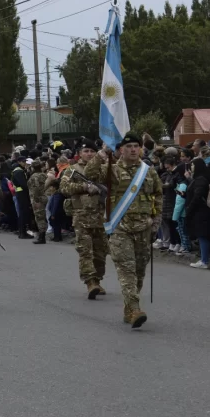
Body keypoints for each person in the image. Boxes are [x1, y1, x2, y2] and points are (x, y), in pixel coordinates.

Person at [85, 133, 163, 329]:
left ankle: (129, 308)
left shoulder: (149, 171)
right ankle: (135, 308)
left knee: (139, 271)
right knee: (126, 269)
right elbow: (90, 173)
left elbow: (158, 195)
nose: (134, 149)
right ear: (121, 150)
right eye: (129, 147)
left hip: (143, 228)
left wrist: (156, 222)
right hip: (120, 228)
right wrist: (103, 152)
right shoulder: (112, 170)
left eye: (136, 146)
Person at [60, 139, 109, 299]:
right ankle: (90, 282)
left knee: (100, 253)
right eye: (86, 151)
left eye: (92, 151)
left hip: (100, 218)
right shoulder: (72, 170)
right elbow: (64, 188)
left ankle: (97, 279)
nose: (89, 154)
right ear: (80, 153)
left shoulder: (102, 169)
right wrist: (84, 187)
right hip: (82, 218)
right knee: (85, 251)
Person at [185, 159, 210, 269]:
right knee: (201, 235)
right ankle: (203, 258)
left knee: (203, 235)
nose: (191, 167)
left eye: (192, 165)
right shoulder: (198, 179)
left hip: (201, 211)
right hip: (199, 211)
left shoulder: (201, 180)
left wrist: (189, 208)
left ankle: (204, 260)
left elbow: (197, 196)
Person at [28, 159, 49, 244]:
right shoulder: (43, 175)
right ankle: (42, 236)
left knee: (39, 218)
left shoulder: (34, 176)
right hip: (44, 196)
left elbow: (36, 188)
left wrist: (36, 200)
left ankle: (42, 237)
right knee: (42, 216)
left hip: (37, 199)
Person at [11, 156, 33, 240]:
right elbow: (23, 184)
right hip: (22, 193)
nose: (25, 163)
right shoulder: (19, 171)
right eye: (23, 162)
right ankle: (23, 232)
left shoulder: (18, 170)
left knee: (22, 213)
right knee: (23, 213)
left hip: (20, 193)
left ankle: (22, 232)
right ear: (19, 162)